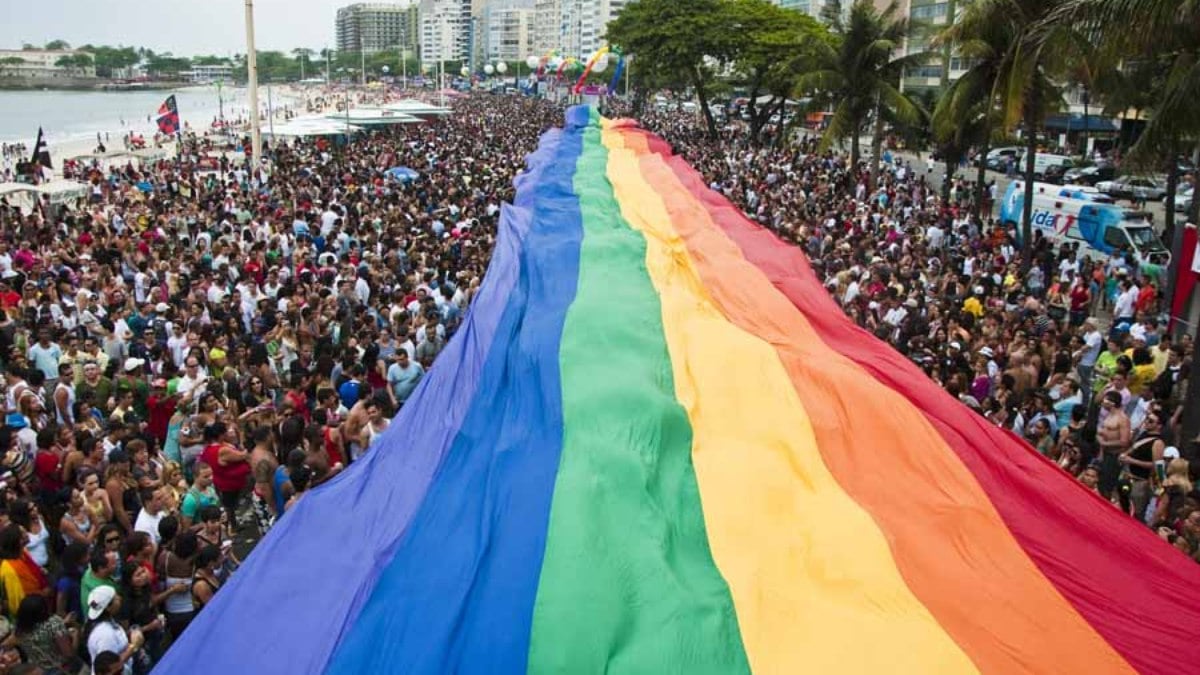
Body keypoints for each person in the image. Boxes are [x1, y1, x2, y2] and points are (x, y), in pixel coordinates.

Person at [6, 595, 76, 673]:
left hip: (37, 670)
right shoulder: (54, 622)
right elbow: (68, 654)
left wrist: (64, 623)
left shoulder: (19, 628)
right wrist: (76, 636)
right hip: (60, 669)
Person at [84, 586, 143, 675]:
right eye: (115, 598)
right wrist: (134, 646)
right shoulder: (105, 635)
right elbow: (111, 667)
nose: (119, 598)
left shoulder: (107, 622)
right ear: (108, 607)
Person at [0, 524, 48, 617]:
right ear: (17, 540)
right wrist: (43, 593)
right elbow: (18, 597)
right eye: (23, 532)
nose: (27, 533)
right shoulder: (10, 568)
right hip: (30, 612)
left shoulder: (23, 553)